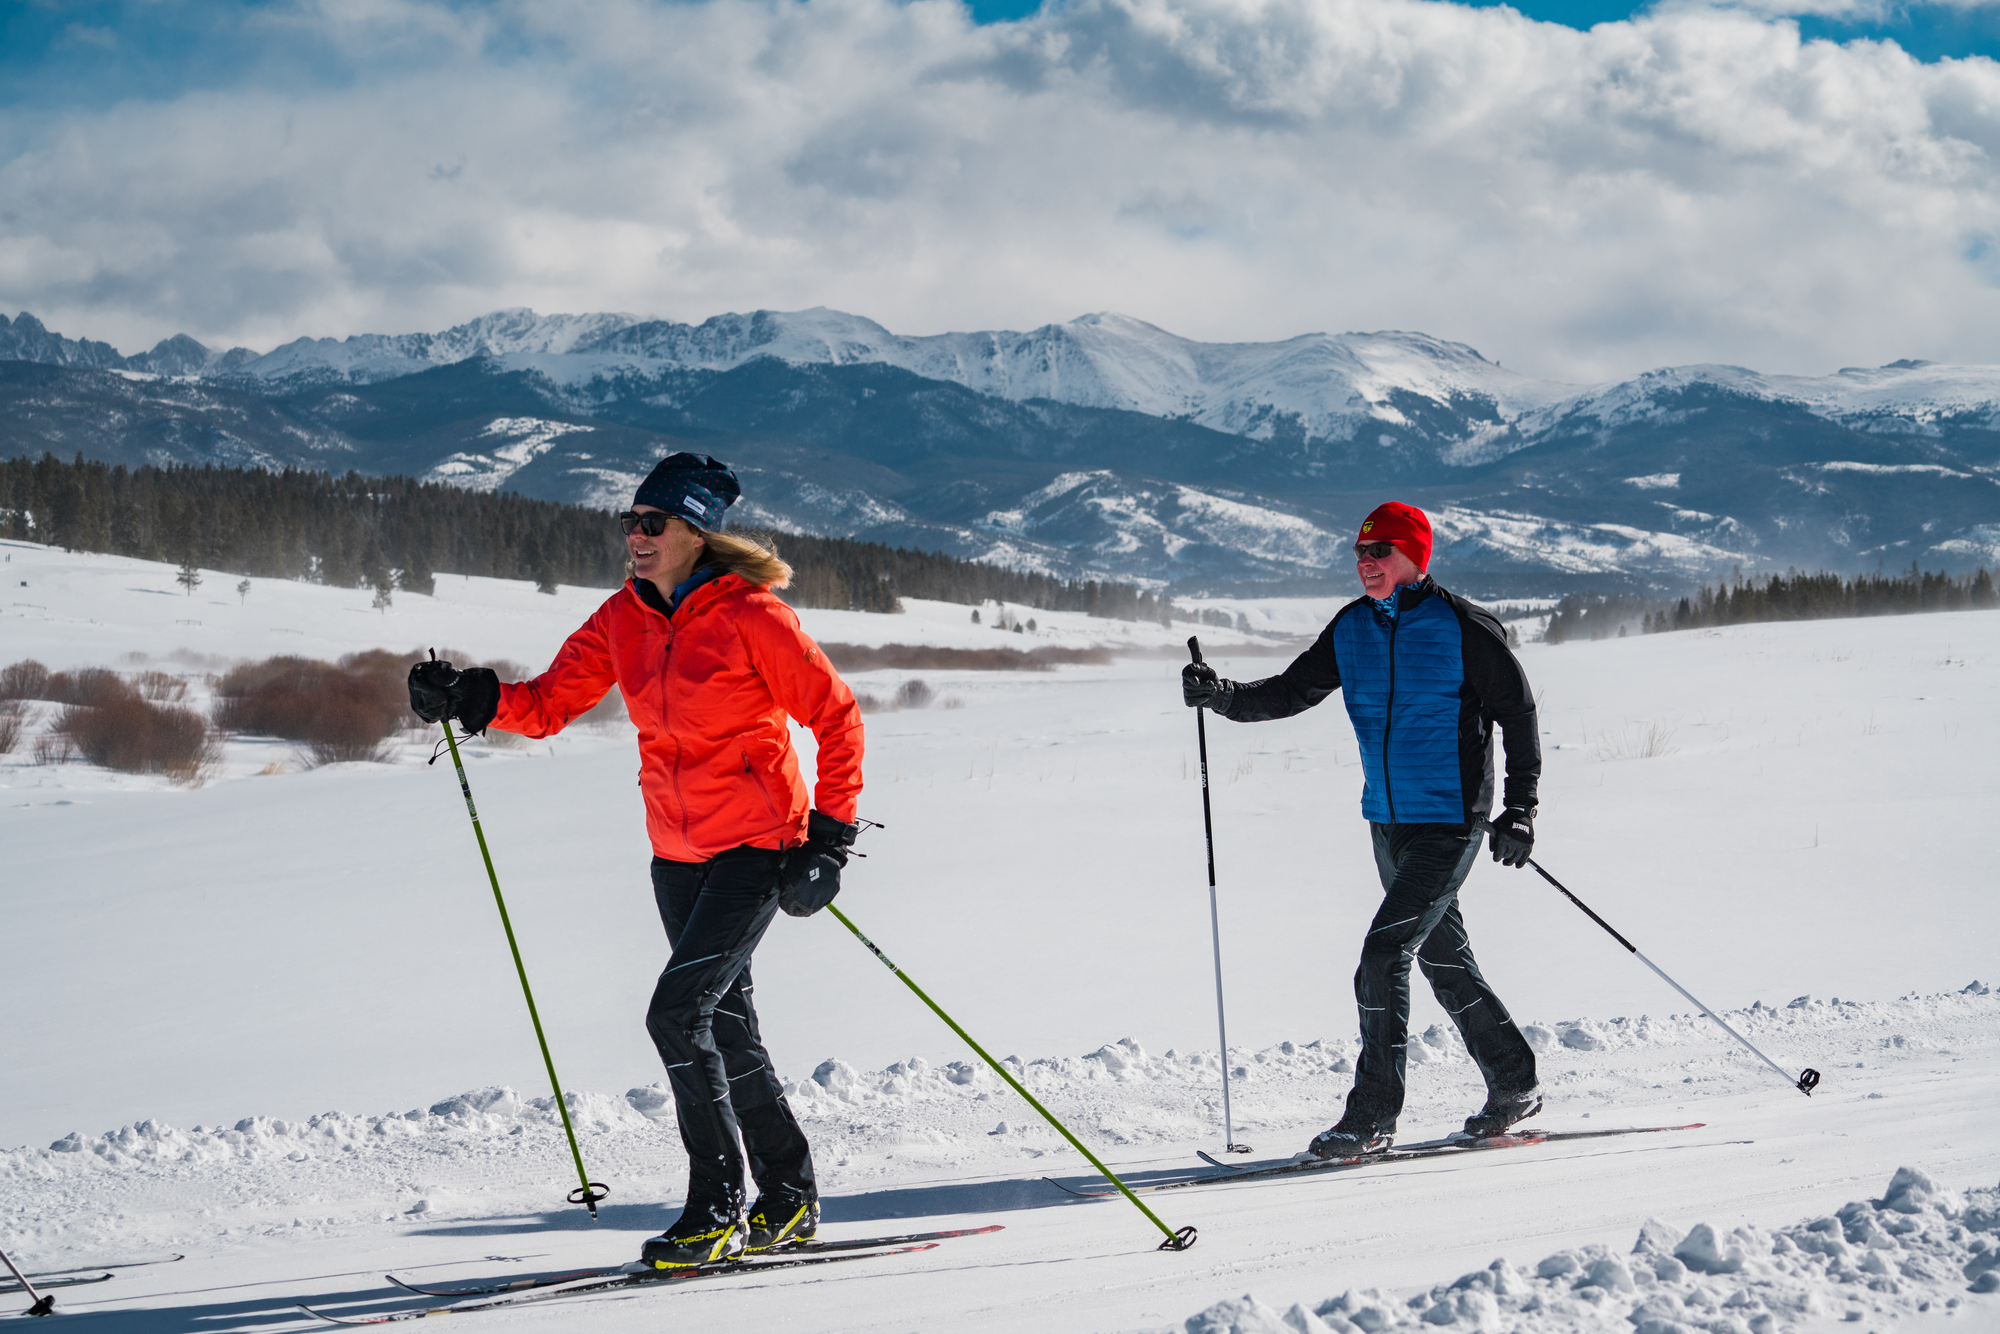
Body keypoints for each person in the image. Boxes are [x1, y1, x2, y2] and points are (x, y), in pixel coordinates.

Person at [407, 453, 865, 1266]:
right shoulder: (622, 618)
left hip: (757, 846)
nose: (635, 535)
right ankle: (790, 1198)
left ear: (695, 533)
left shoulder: (754, 616)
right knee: (725, 1025)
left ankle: (715, 1208)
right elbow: (547, 706)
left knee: (675, 1014)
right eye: (630, 521)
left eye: (652, 523)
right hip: (675, 852)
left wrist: (828, 842)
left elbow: (836, 718)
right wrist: (473, 699)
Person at [1181, 501, 1542, 1159]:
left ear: (1414, 557)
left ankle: (1371, 1116)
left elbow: (1518, 716)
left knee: (1382, 957)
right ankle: (1516, 1082)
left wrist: (1520, 810)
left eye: (1380, 552)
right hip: (1387, 825)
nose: (1366, 563)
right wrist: (1222, 695)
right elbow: (1289, 692)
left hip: (1449, 824)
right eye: (1360, 552)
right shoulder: (1351, 629)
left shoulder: (1463, 628)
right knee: (1444, 961)